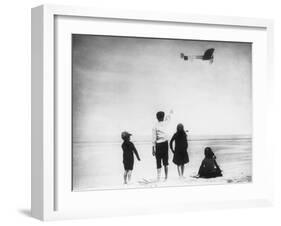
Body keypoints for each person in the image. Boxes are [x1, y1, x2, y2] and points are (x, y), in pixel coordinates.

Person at [152, 110, 173, 181]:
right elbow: (168, 118)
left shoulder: (155, 126)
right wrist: (170, 113)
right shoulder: (165, 123)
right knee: (165, 161)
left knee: (158, 161)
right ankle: (166, 177)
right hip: (165, 144)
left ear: (157, 117)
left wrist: (153, 149)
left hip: (158, 145)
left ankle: (158, 177)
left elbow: (153, 138)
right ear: (163, 117)